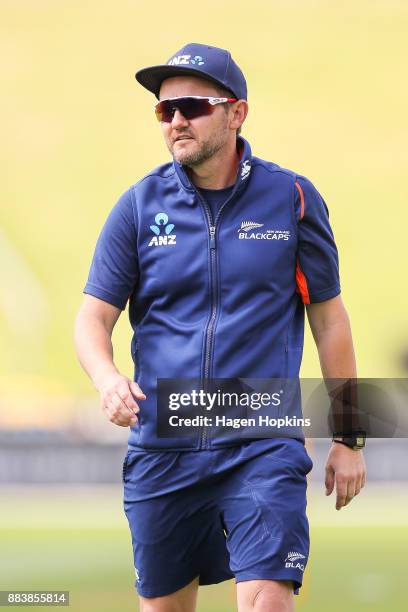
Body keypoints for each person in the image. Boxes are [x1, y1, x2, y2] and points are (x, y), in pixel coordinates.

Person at [74, 43, 366, 612]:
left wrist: (349, 436)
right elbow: (93, 318)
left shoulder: (293, 199)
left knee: (268, 603)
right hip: (163, 447)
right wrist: (106, 379)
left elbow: (330, 320)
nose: (177, 120)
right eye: (165, 111)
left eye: (193, 106)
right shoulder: (137, 206)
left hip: (263, 441)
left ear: (237, 113)